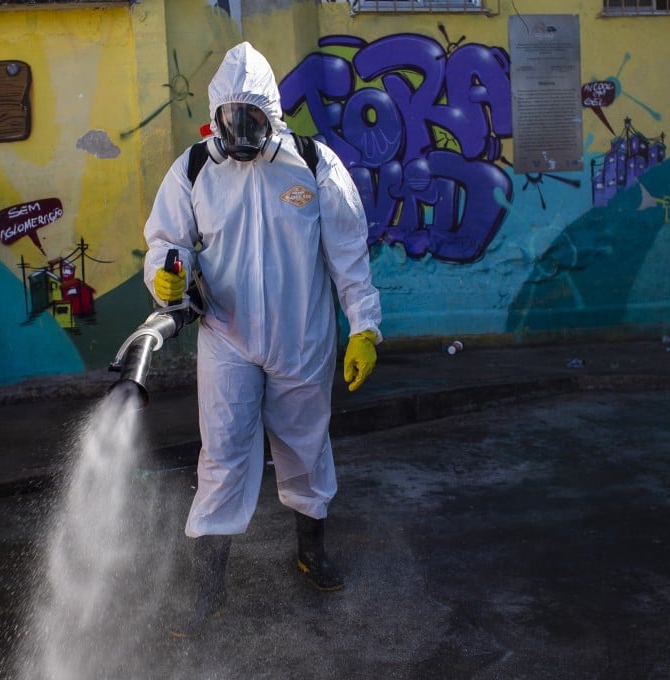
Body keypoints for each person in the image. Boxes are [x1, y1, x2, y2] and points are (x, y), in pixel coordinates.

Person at [143, 42, 382, 638]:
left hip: (303, 338)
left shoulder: (313, 164)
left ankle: (311, 551)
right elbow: (167, 240)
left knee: (305, 447)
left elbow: (350, 257)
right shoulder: (195, 169)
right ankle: (209, 587)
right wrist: (165, 272)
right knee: (221, 457)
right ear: (216, 115)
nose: (241, 133)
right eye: (231, 119)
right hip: (227, 337)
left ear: (272, 115)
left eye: (253, 120)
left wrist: (365, 328)